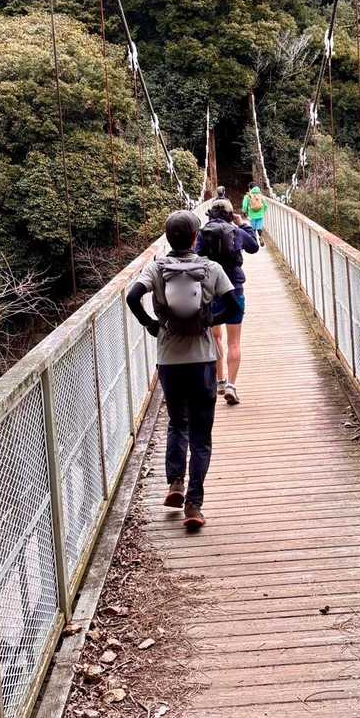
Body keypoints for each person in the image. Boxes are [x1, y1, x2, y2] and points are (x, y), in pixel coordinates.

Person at [126, 210, 239, 531]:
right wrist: (209, 321)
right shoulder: (211, 268)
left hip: (169, 361)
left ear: (167, 237)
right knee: (201, 436)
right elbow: (235, 307)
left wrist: (152, 325)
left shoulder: (156, 268)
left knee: (178, 423)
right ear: (195, 238)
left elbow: (133, 296)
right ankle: (194, 504)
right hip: (203, 361)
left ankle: (175, 482)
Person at [196, 199, 258, 406]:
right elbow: (254, 247)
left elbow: (193, 257)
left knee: (215, 337)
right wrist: (243, 225)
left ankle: (219, 381)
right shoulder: (236, 231)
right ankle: (231, 385)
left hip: (210, 292)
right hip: (234, 290)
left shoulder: (202, 233)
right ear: (230, 215)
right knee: (234, 341)